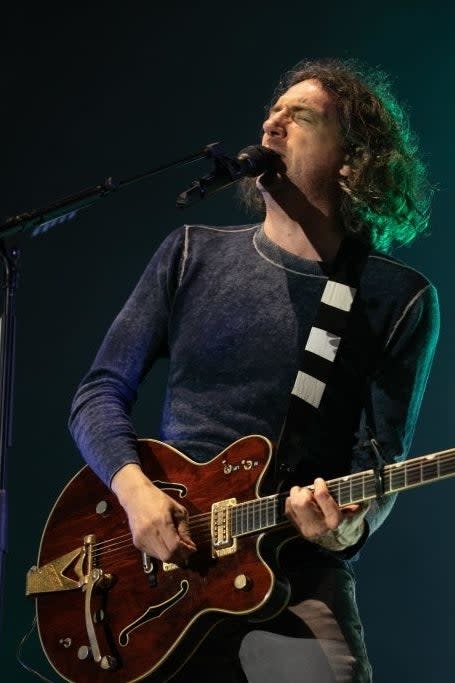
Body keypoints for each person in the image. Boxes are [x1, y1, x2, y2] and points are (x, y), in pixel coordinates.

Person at [69, 57, 439, 682]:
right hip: (159, 569)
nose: (271, 124)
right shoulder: (190, 252)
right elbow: (99, 393)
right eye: (273, 111)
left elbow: (380, 463)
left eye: (300, 117)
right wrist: (136, 495)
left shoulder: (394, 296)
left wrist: (340, 533)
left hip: (294, 574)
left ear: (353, 160)